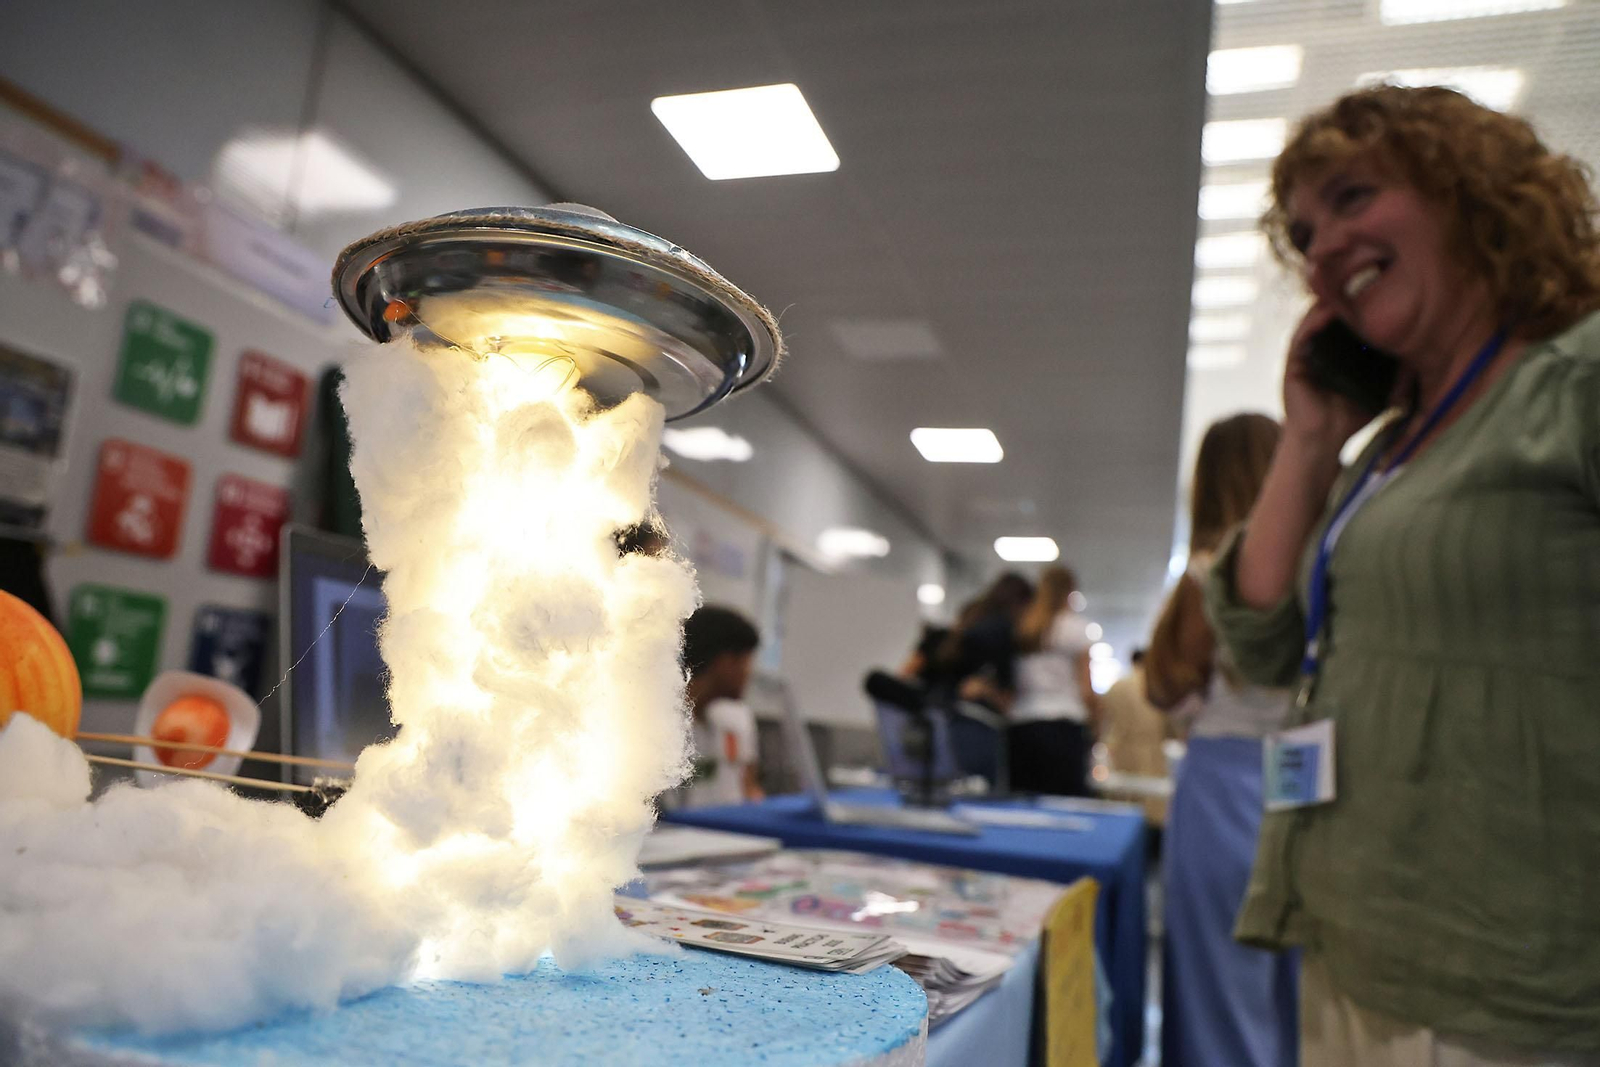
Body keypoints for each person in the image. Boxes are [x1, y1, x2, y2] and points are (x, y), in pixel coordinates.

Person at [1203, 85, 1600, 1064]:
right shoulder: (1383, 451)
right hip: (1349, 945)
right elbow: (1261, 638)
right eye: (1304, 233)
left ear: (1471, 194)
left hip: (1505, 987)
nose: (1323, 249)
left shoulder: (1574, 378)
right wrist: (1308, 439)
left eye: (1353, 197)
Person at [1145, 412, 1297, 1067]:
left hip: (1223, 783)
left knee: (1217, 986)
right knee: (1291, 992)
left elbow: (1164, 686)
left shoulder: (1208, 576)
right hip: (1304, 780)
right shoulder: (1320, 571)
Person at [1009, 565, 1098, 795]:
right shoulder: (1075, 628)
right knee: (1065, 802)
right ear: (1070, 591)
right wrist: (1096, 723)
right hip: (1063, 726)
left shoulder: (1024, 627)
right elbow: (1086, 689)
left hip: (1023, 725)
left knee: (1025, 801)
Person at [678, 605, 764, 807]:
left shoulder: (737, 719)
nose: (748, 673)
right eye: (745, 662)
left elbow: (750, 787)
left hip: (733, 823)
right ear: (724, 662)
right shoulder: (658, 727)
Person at [1097, 649, 1173, 830]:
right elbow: (1171, 726)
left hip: (1121, 752)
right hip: (1152, 752)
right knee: (1152, 810)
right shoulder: (1158, 686)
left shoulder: (1117, 687)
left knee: (1123, 807)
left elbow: (1105, 721)